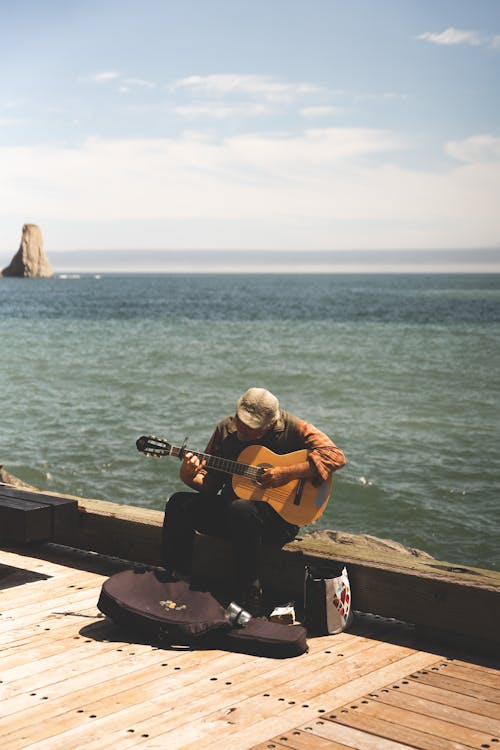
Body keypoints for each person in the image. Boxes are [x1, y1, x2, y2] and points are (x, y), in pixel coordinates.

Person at [161, 387, 346, 615]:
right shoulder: (225, 430)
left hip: (278, 522)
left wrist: (286, 473)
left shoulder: (295, 428)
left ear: (270, 424)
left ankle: (249, 594)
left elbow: (336, 456)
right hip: (232, 517)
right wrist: (188, 475)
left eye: (251, 429)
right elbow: (210, 487)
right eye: (240, 422)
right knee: (179, 503)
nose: (242, 430)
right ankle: (175, 580)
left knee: (242, 510)